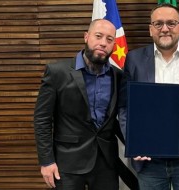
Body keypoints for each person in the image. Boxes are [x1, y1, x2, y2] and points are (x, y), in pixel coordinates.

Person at [118, 3, 179, 190]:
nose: (164, 29)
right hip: (149, 160)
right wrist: (134, 142)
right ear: (150, 29)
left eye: (171, 23)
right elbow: (125, 107)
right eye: (158, 24)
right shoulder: (134, 59)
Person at [34, 19, 135, 190]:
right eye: (98, 36)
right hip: (67, 164)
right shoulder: (57, 72)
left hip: (106, 164)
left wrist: (137, 145)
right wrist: (46, 161)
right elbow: (42, 119)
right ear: (86, 37)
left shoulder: (118, 76)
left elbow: (120, 119)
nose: (103, 43)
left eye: (109, 39)